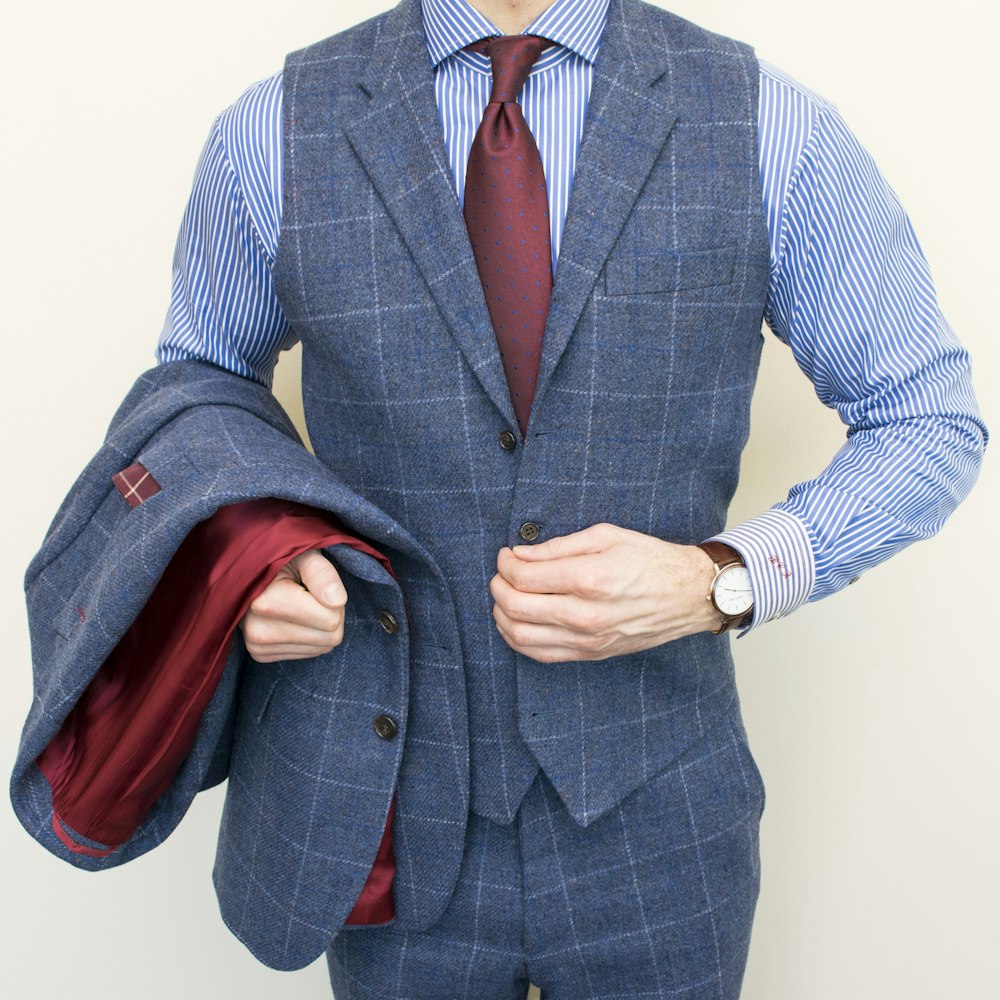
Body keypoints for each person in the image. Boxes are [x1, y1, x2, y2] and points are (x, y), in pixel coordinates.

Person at [17, 0, 987, 997]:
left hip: (660, 824)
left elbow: (927, 417)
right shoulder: (275, 128)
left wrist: (723, 578)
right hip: (385, 817)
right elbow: (197, 391)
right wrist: (249, 554)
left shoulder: (765, 124)